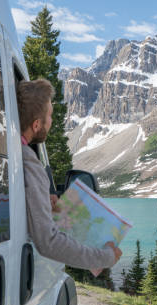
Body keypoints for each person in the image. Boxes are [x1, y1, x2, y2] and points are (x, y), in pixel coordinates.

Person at [17, 79, 122, 271]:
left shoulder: (12, 152)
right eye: (49, 115)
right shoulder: (28, 162)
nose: (52, 121)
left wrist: (41, 198)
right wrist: (105, 257)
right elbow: (49, 242)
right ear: (36, 124)